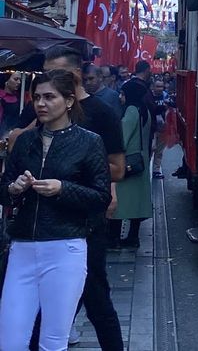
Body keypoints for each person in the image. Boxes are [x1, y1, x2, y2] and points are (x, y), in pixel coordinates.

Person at [21, 46, 126, 351]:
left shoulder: (101, 113)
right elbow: (22, 147)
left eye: (55, 73)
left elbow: (117, 169)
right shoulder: (41, 108)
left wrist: (70, 171)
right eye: (45, 73)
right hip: (41, 222)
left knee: (96, 298)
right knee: (38, 302)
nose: (47, 81)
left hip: (83, 224)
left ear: (76, 75)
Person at [0, 69, 111, 351]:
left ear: (69, 101)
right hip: (22, 247)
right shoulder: (24, 141)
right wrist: (14, 188)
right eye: (36, 97)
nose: (41, 104)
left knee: (53, 340)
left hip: (65, 247)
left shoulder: (89, 142)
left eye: (50, 97)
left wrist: (63, 188)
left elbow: (101, 196)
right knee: (10, 340)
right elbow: (3, 190)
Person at [112, 79, 153, 248]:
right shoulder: (145, 110)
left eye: (123, 93)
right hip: (140, 161)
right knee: (136, 203)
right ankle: (133, 237)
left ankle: (114, 238)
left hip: (127, 161)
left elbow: (123, 136)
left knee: (120, 201)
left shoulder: (130, 110)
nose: (121, 97)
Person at [151, 77, 170, 179]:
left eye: (161, 86)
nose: (160, 88)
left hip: (163, 128)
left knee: (159, 152)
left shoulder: (166, 96)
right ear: (153, 86)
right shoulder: (149, 97)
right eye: (157, 86)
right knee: (151, 150)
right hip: (151, 129)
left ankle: (156, 170)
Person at [0, 71, 23, 138]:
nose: (19, 82)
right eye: (16, 79)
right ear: (6, 81)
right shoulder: (1, 97)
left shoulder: (20, 97)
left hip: (14, 133)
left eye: (20, 80)